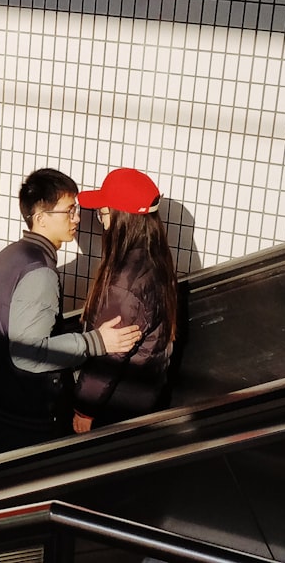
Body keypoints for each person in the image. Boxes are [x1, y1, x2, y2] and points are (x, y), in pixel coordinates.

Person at [0, 168, 142, 455]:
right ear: (41, 218)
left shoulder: (11, 255)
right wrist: (97, 342)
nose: (77, 218)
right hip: (22, 416)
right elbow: (29, 354)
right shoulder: (40, 274)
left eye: (76, 209)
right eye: (69, 211)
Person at [72, 168, 179, 434]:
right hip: (142, 393)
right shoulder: (155, 258)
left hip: (116, 405)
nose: (101, 220)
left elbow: (110, 356)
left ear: (123, 217)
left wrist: (84, 409)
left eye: (103, 212)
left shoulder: (125, 282)